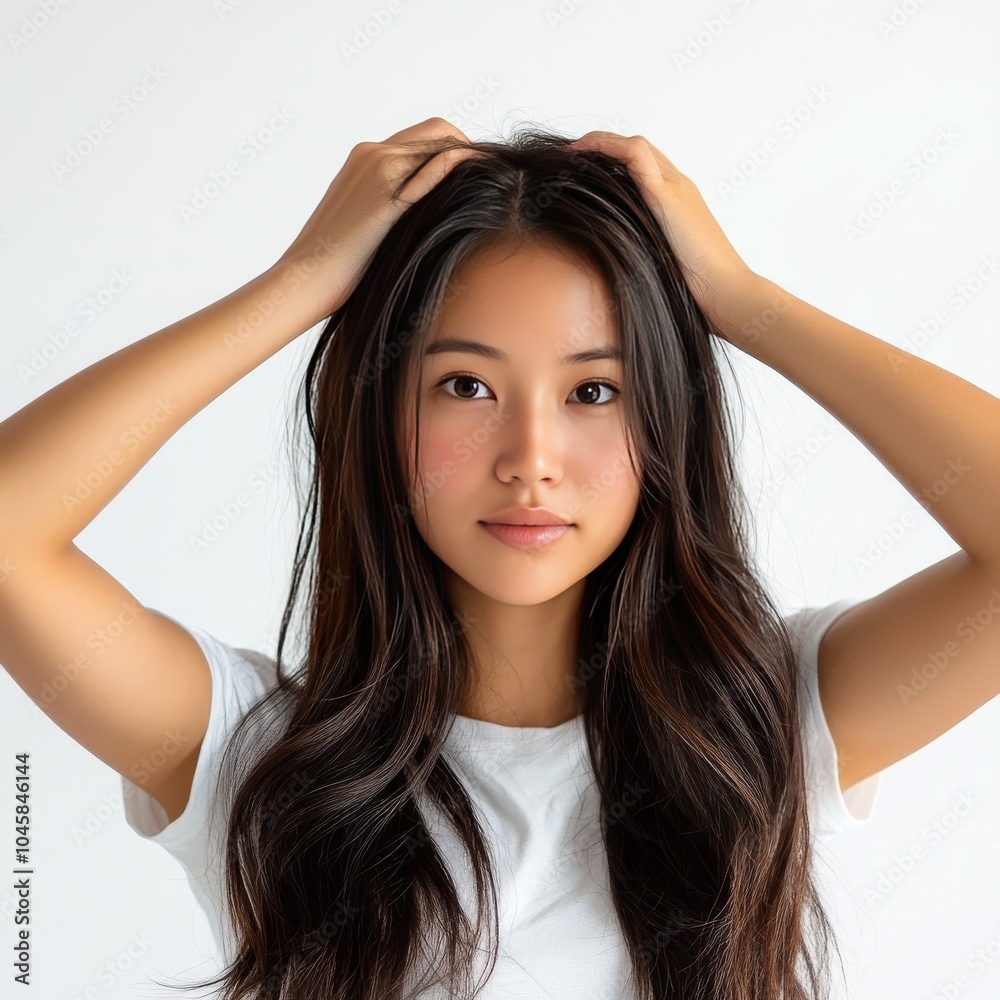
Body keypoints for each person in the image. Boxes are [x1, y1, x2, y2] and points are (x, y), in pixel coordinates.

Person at [1, 116, 997, 999]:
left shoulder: (769, 730)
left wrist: (741, 300)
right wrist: (300, 286)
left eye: (594, 392)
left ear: (667, 422)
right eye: (466, 386)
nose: (530, 459)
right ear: (381, 410)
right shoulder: (250, 755)